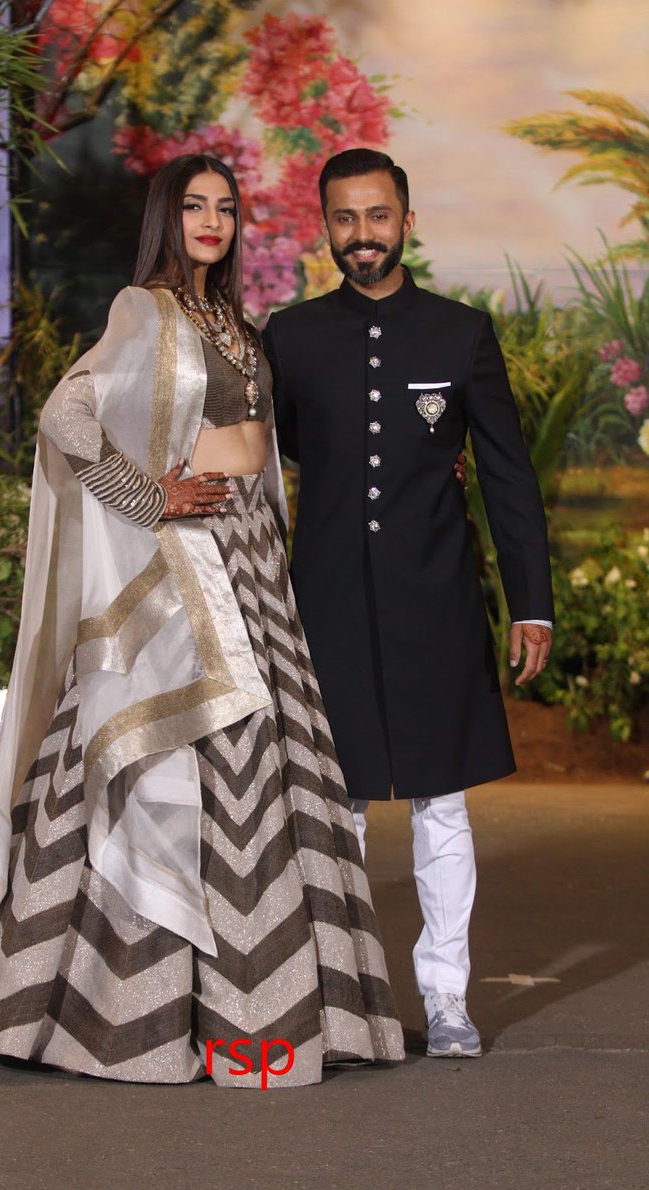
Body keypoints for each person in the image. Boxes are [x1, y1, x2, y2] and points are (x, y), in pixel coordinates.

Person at [0, 154, 406, 1087]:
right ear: (166, 219)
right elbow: (66, 413)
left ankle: (272, 1011)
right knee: (191, 755)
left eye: (225, 206)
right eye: (194, 206)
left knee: (275, 771)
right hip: (190, 563)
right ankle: (125, 1015)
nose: (212, 220)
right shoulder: (148, 311)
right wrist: (148, 497)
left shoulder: (236, 321)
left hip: (255, 561)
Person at [263, 148, 554, 1058]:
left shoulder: (460, 333)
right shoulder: (291, 336)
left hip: (437, 603)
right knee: (335, 808)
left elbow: (506, 475)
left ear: (406, 220)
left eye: (377, 218)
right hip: (329, 606)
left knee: (441, 806)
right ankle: (345, 999)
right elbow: (282, 458)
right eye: (345, 220)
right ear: (326, 226)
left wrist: (531, 604)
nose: (362, 237)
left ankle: (448, 1001)